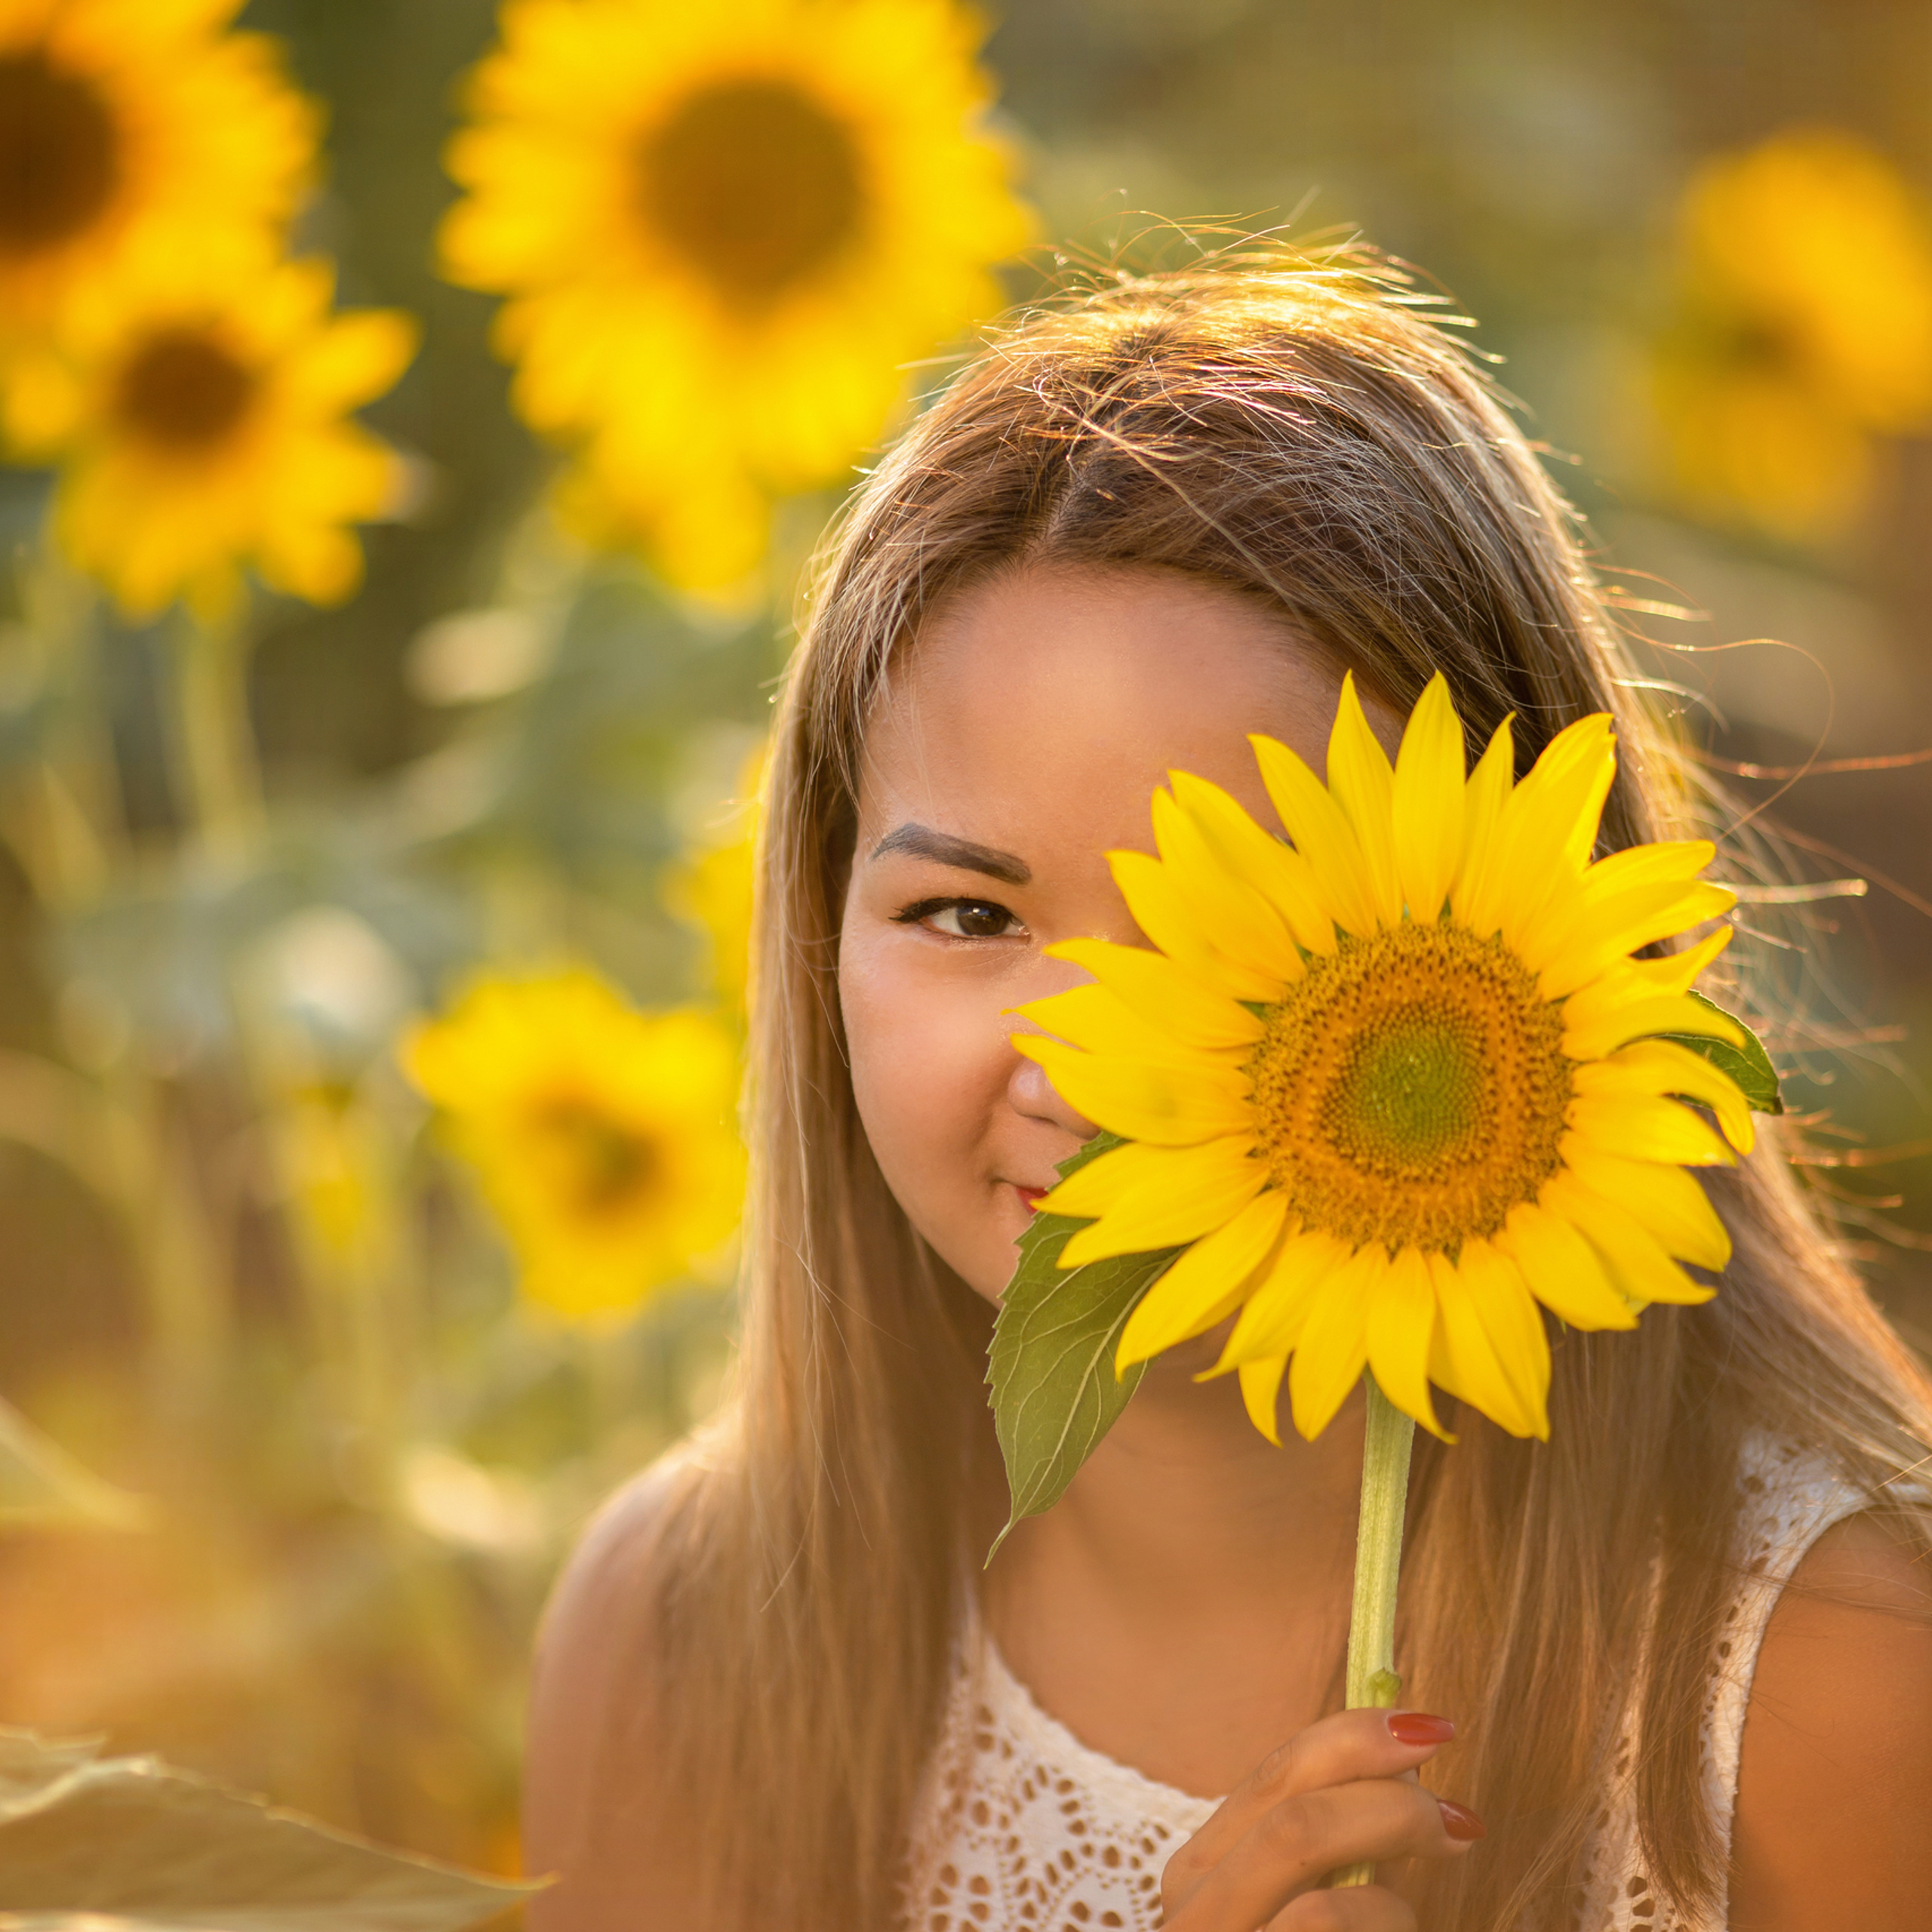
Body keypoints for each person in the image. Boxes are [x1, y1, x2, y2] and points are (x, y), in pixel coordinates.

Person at [521, 252, 1932, 1931]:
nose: (1090, 1065)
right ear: (820, 934)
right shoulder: (687, 1638)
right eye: (967, 916)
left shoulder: (1822, 1679)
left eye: (1236, 938)